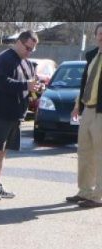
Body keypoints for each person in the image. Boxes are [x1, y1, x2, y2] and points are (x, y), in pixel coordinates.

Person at [0, 31, 42, 202]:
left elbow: (29, 85)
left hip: (15, 114)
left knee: (3, 152)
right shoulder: (4, 59)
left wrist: (35, 87)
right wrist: (25, 85)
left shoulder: (26, 63)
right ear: (19, 42)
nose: (29, 51)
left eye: (32, 49)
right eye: (28, 47)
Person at [66, 23, 102, 208]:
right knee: (85, 152)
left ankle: (98, 196)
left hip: (101, 113)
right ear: (95, 35)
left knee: (100, 154)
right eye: (100, 33)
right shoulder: (92, 56)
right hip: (88, 109)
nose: (101, 36)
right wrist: (77, 105)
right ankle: (85, 191)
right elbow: (86, 83)